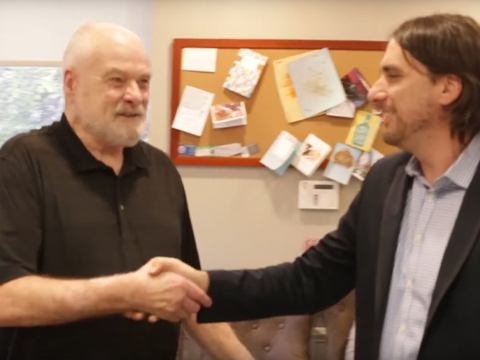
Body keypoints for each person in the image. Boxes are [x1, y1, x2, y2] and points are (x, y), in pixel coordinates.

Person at [145, 13, 480, 360]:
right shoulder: (385, 181)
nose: (375, 92)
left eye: (393, 76)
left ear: (447, 88)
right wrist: (201, 285)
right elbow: (310, 280)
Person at [0, 23, 252, 360]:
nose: (135, 95)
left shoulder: (160, 170)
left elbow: (187, 295)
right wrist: (126, 293)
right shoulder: (22, 162)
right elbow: (6, 299)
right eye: (116, 80)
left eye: (143, 82)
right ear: (71, 84)